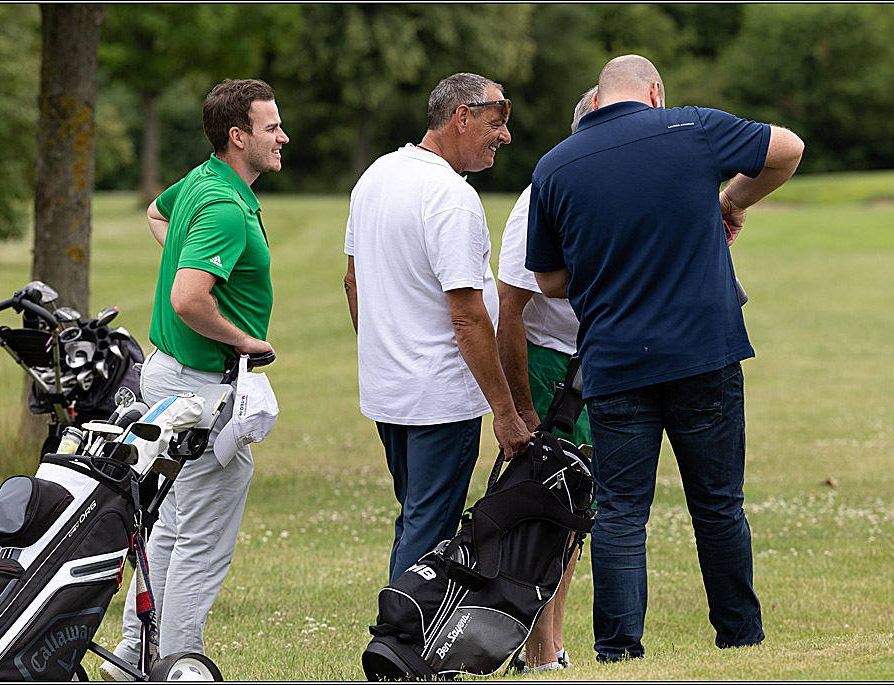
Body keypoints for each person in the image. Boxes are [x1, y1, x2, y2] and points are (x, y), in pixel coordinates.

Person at [525, 55, 805, 662]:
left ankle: (619, 650)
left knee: (623, 511)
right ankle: (740, 637)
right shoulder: (690, 127)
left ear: (596, 100)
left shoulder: (553, 167)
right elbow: (788, 149)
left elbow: (547, 279)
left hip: (616, 361)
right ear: (654, 92)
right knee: (718, 502)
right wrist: (733, 199)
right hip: (705, 352)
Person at [103, 78, 287, 679]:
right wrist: (246, 339)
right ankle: (177, 664)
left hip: (164, 376)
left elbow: (159, 213)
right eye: (271, 127)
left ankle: (134, 655)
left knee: (168, 526)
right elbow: (188, 299)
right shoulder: (226, 207)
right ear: (239, 137)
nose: (282, 136)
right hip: (200, 390)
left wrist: (187, 259)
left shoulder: (205, 178)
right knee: (202, 540)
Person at [343, 72, 534, 583]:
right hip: (438, 400)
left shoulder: (376, 175)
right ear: (462, 116)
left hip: (391, 393)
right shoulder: (450, 196)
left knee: (414, 519)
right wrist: (505, 411)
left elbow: (352, 282)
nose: (506, 136)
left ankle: (400, 638)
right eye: (497, 123)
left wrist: (387, 354)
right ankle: (406, 649)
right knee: (430, 533)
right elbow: (467, 315)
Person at [495, 86, 597, 673]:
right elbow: (510, 310)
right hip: (553, 365)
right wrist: (519, 408)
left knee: (576, 512)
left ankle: (548, 646)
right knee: (551, 508)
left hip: (598, 360)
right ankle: (541, 651)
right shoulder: (540, 196)